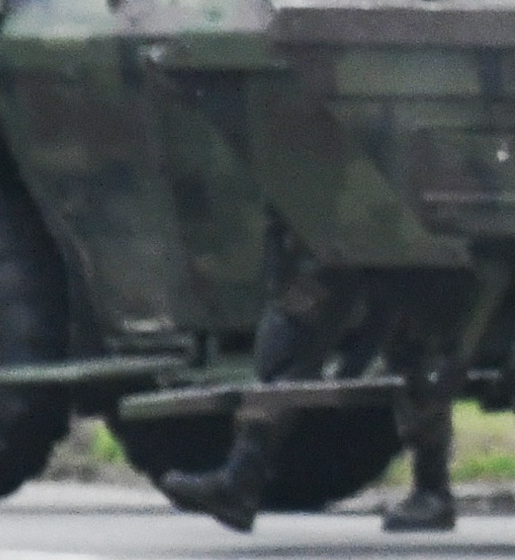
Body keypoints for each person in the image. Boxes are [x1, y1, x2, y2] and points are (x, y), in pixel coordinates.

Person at [158, 219, 472, 535]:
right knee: (294, 339)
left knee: (419, 351)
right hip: (349, 228)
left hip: (399, 226)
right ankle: (242, 477)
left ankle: (432, 486)